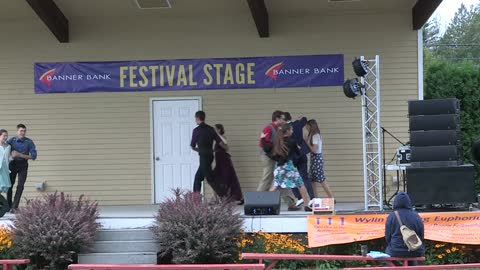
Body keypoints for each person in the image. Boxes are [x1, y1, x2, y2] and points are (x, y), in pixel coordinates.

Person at [262, 123, 311, 212]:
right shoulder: (292, 142)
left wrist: (263, 139)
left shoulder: (277, 142)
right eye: (291, 130)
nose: (292, 131)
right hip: (289, 167)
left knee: (275, 186)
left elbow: (267, 149)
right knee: (301, 185)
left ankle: (264, 204)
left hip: (280, 167)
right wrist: (298, 147)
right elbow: (298, 153)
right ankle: (307, 205)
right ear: (287, 131)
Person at [258, 111, 297, 210]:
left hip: (276, 157)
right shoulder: (269, 128)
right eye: (283, 119)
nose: (284, 121)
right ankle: (257, 200)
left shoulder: (278, 129)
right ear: (277, 118)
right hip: (268, 157)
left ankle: (291, 202)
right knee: (268, 177)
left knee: (281, 177)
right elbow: (263, 144)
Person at [385, 192, 425, 266]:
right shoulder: (416, 216)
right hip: (414, 250)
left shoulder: (392, 216)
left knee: (388, 253)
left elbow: (388, 237)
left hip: (395, 250)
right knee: (413, 255)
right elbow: (421, 235)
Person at [190, 111, 224, 196]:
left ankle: (223, 195)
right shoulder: (211, 129)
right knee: (199, 177)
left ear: (197, 118)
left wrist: (200, 150)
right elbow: (219, 141)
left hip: (203, 157)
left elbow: (192, 146)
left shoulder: (196, 130)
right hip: (210, 156)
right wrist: (225, 148)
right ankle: (196, 199)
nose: (195, 120)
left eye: (195, 118)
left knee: (210, 178)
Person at [283, 112, 314, 206]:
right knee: (304, 177)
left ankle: (299, 197)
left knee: (291, 177)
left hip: (292, 156)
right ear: (290, 117)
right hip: (302, 154)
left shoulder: (284, 129)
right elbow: (305, 120)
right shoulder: (297, 124)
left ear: (284, 119)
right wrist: (300, 118)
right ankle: (312, 198)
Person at [7, 124, 37, 213]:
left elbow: (34, 156)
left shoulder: (29, 142)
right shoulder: (11, 140)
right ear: (17, 131)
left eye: (24, 131)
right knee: (9, 185)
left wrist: (20, 155)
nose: (23, 133)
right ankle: (9, 206)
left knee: (20, 186)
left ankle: (14, 207)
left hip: (23, 165)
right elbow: (3, 148)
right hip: (12, 164)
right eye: (21, 131)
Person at [213, 124, 244, 204]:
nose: (213, 130)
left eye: (215, 129)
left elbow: (226, 146)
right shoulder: (215, 138)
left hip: (224, 160)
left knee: (227, 178)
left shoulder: (222, 137)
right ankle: (218, 198)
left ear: (219, 130)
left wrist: (218, 135)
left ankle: (233, 198)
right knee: (216, 179)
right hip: (218, 161)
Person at [306, 119, 333, 199]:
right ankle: (315, 198)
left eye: (307, 126)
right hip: (313, 159)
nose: (306, 128)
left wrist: (307, 144)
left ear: (311, 126)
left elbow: (314, 149)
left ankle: (331, 197)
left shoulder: (315, 135)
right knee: (312, 180)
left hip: (317, 158)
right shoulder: (312, 135)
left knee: (321, 179)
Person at [0, 130, 12, 194]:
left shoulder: (8, 146)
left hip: (5, 169)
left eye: (6, 136)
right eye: (4, 135)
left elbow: (9, 158)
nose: (6, 137)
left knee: (3, 188)